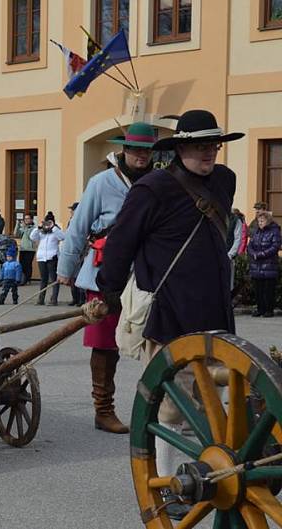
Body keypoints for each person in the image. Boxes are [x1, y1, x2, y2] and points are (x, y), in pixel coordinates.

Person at [97, 109, 244, 519]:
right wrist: (108, 291)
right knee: (172, 405)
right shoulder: (152, 189)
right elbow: (121, 242)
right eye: (199, 146)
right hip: (171, 310)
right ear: (179, 148)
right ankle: (169, 485)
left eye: (213, 145)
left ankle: (218, 472)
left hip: (215, 308)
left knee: (216, 398)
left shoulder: (225, 181)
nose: (208, 153)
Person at [58, 123, 156, 434]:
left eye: (147, 149)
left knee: (155, 340)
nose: (141, 155)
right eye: (135, 149)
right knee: (104, 345)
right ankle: (103, 409)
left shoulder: (159, 181)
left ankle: (160, 409)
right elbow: (78, 226)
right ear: (124, 150)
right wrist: (66, 269)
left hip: (146, 273)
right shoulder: (101, 182)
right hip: (103, 272)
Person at [247, 211, 281, 317]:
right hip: (256, 265)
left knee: (268, 290)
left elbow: (275, 246)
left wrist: (261, 254)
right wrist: (253, 254)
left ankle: (268, 310)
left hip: (269, 265)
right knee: (258, 290)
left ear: (268, 221)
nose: (260, 223)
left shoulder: (274, 231)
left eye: (262, 221)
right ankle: (260, 309)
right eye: (259, 221)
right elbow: (250, 246)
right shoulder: (256, 232)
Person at [30, 215, 64, 305]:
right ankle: (41, 299)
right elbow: (32, 237)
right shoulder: (41, 232)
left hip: (52, 257)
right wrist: (38, 227)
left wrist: (53, 228)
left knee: (54, 279)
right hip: (41, 258)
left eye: (49, 222)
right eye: (46, 222)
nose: (47, 225)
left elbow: (62, 237)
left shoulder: (56, 231)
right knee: (43, 279)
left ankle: (54, 299)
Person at [14, 214, 36, 283]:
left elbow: (30, 236)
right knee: (21, 264)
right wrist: (17, 225)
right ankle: (22, 278)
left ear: (31, 220)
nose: (26, 220)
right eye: (25, 219)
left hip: (30, 249)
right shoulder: (23, 228)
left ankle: (28, 278)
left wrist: (25, 228)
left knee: (28, 264)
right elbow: (16, 234)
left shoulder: (33, 228)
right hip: (23, 248)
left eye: (28, 218)